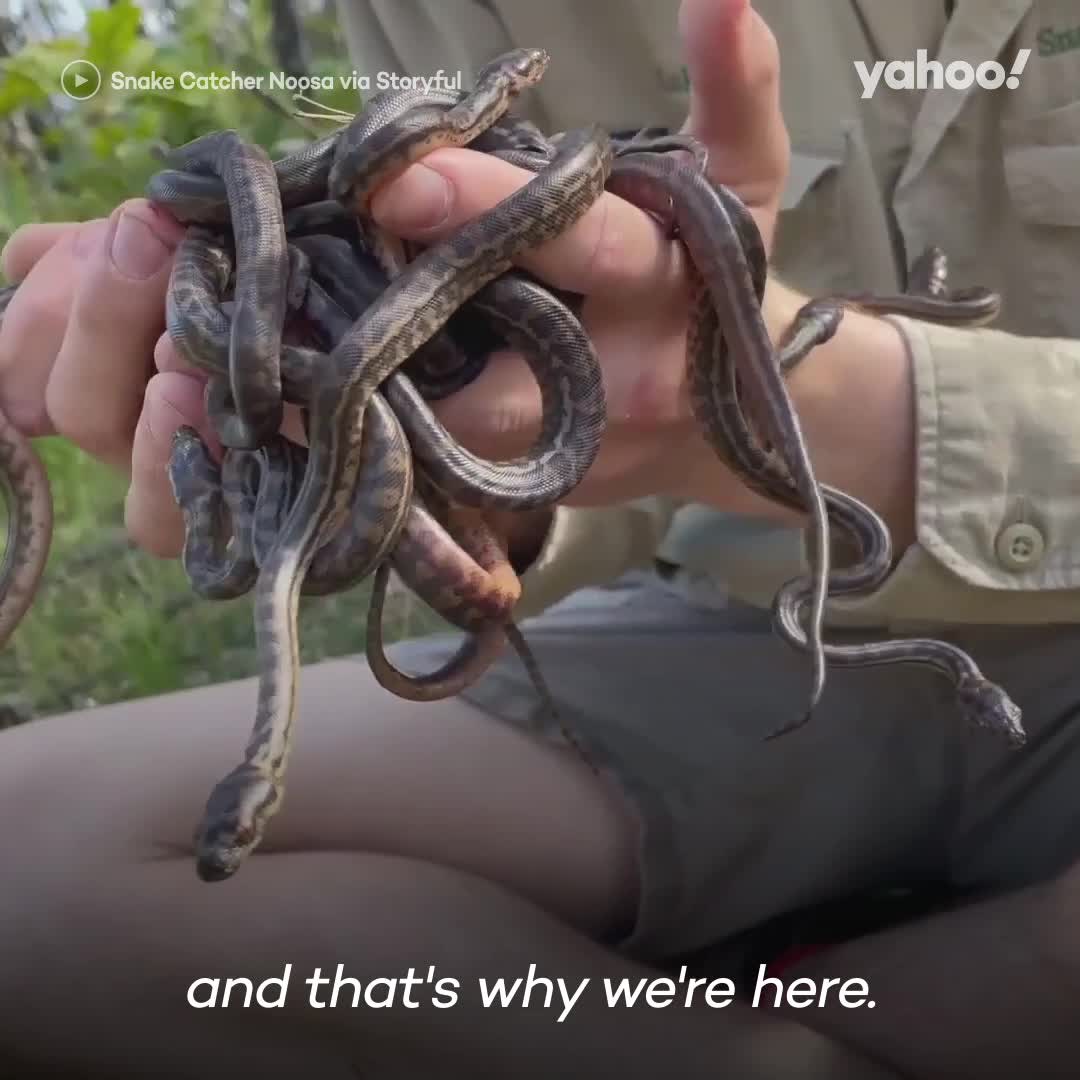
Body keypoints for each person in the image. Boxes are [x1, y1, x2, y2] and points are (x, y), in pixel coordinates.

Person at [0, 0, 1078, 1075]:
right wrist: (437, 475)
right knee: (23, 865)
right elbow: (553, 449)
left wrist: (824, 402)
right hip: (752, 635)